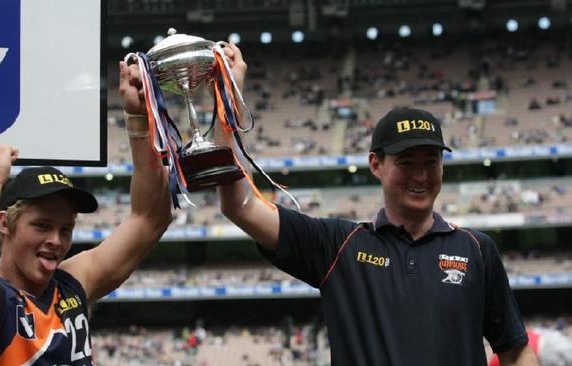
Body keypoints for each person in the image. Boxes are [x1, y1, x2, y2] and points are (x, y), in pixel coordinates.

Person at [215, 46, 539, 366]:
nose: (421, 175)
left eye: (431, 162)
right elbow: (239, 205)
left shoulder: (477, 250)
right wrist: (228, 94)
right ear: (375, 164)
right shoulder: (337, 246)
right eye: (406, 163)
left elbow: (516, 351)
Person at [0, 60, 171, 365]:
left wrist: (139, 118)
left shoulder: (71, 283)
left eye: (66, 229)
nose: (56, 240)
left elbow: (150, 218)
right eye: (42, 225)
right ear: (4, 223)